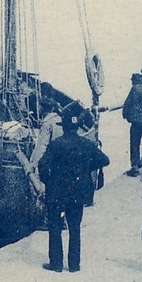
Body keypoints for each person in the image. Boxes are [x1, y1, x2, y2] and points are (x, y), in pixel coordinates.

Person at [35, 109, 111, 273]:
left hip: (56, 192)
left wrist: (48, 180)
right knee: (75, 229)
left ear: (64, 127)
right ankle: (74, 265)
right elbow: (104, 160)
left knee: (55, 227)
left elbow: (42, 165)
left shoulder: (56, 145)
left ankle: (56, 264)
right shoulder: (86, 144)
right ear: (77, 128)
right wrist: (85, 169)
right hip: (77, 193)